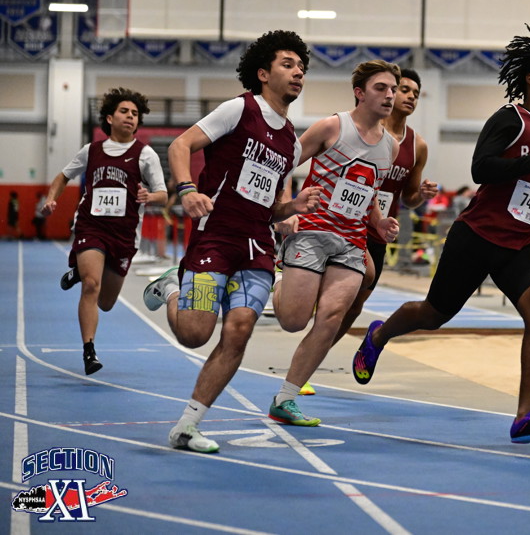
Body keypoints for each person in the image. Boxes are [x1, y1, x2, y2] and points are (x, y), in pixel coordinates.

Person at [352, 25, 530, 444]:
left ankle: (525, 417)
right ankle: (379, 334)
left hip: (521, 243)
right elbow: (481, 168)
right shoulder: (510, 119)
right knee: (433, 315)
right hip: (477, 237)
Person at [142, 30, 321, 454]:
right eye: (287, 64)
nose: (298, 72)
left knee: (238, 331)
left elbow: (271, 206)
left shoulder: (291, 141)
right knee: (194, 334)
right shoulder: (239, 109)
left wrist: (290, 208)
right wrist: (187, 189)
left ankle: (187, 426)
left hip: (256, 248)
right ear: (263, 73)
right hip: (216, 240)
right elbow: (181, 145)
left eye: (301, 67)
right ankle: (171, 287)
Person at [265, 59, 402, 425]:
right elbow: (283, 164)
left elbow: (368, 192)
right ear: (360, 92)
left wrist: (379, 222)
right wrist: (286, 208)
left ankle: (285, 399)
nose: (389, 95)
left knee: (330, 318)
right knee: (294, 320)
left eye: (393, 89)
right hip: (311, 231)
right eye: (381, 88)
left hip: (351, 241)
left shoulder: (390, 147)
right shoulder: (332, 127)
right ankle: (277, 279)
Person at [42, 87, 167, 374]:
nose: (130, 117)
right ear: (110, 118)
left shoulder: (145, 155)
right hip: (92, 226)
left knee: (107, 302)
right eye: (124, 111)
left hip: (123, 236)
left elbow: (163, 194)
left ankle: (78, 272)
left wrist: (150, 196)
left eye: (135, 113)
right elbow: (63, 176)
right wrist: (51, 199)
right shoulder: (91, 151)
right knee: (91, 285)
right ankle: (89, 351)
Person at [329, 67, 437, 353]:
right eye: (404, 90)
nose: (411, 97)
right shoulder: (362, 130)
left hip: (378, 231)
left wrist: (421, 194)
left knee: (355, 306)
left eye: (416, 93)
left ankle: (318, 352)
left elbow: (409, 198)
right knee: (332, 297)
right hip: (346, 220)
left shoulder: (418, 146)